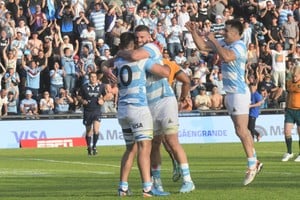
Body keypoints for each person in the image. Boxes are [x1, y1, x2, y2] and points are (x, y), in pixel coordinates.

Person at [117, 25, 195, 193]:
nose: (140, 40)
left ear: (150, 37)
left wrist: (120, 52)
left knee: (172, 141)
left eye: (143, 37)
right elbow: (110, 63)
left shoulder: (149, 48)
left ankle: (188, 180)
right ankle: (156, 181)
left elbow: (135, 55)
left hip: (164, 100)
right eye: (137, 38)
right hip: (146, 104)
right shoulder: (135, 57)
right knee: (154, 145)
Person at [186, 19, 263, 185]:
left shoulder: (239, 46)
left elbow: (227, 58)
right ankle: (254, 161)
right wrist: (193, 32)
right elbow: (203, 47)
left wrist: (213, 40)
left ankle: (252, 164)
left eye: (226, 30)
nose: (223, 32)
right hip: (230, 92)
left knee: (241, 130)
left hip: (239, 92)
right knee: (241, 130)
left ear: (235, 34)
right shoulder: (224, 43)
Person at [114, 32, 170, 197]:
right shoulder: (142, 59)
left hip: (122, 109)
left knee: (130, 148)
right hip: (138, 108)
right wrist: (165, 62)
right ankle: (147, 187)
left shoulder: (117, 61)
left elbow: (105, 64)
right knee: (144, 148)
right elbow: (164, 72)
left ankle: (123, 187)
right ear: (135, 46)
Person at [80, 72, 106, 156]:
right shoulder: (84, 87)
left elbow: (107, 95)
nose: (93, 78)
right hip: (87, 111)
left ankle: (94, 146)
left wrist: (103, 100)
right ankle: (88, 146)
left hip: (97, 110)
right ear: (89, 78)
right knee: (88, 131)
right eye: (91, 77)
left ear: (96, 78)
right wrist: (82, 101)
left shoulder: (101, 87)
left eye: (94, 77)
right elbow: (79, 96)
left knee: (96, 129)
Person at [281, 66, 300, 162]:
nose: (294, 78)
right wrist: (286, 106)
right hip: (290, 110)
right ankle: (289, 152)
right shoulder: (289, 83)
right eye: (293, 76)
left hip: (299, 110)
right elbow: (288, 94)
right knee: (287, 131)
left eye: (296, 76)